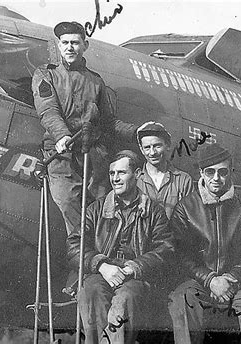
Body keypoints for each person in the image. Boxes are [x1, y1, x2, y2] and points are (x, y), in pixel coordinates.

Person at [32, 21, 138, 235]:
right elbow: (48, 110)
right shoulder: (46, 75)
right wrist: (62, 136)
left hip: (93, 155)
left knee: (99, 208)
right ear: (59, 45)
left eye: (75, 42)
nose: (69, 47)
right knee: (68, 201)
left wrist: (137, 132)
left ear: (85, 46)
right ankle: (84, 257)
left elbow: (108, 122)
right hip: (61, 154)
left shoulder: (96, 82)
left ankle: (95, 261)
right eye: (65, 43)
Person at [66, 150, 174, 344]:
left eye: (121, 173)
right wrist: (101, 266)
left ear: (138, 174)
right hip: (102, 273)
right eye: (112, 173)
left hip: (135, 277)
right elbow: (74, 244)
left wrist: (134, 267)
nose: (115, 179)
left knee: (125, 298)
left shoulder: (154, 211)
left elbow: (165, 249)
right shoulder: (96, 209)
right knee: (90, 291)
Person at [168, 143, 241, 344]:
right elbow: (181, 254)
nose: (216, 178)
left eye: (222, 172)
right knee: (182, 303)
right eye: (210, 172)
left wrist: (231, 278)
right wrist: (210, 279)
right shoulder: (185, 208)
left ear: (230, 173)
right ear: (201, 173)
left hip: (237, 282)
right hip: (198, 282)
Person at [136, 121, 193, 219]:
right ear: (141, 149)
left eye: (157, 146)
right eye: (147, 148)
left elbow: (191, 216)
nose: (152, 152)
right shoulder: (135, 180)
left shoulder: (183, 180)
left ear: (167, 145)